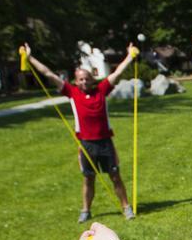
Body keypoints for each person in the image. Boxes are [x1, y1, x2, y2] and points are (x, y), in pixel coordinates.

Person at [22, 42, 137, 222]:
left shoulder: (102, 90)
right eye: (81, 79)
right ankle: (85, 210)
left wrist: (130, 56)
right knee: (88, 179)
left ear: (92, 79)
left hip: (105, 142)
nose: (84, 82)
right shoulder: (72, 92)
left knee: (115, 176)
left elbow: (118, 73)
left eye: (87, 78)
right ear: (76, 81)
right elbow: (48, 74)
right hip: (86, 144)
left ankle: (126, 207)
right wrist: (29, 58)